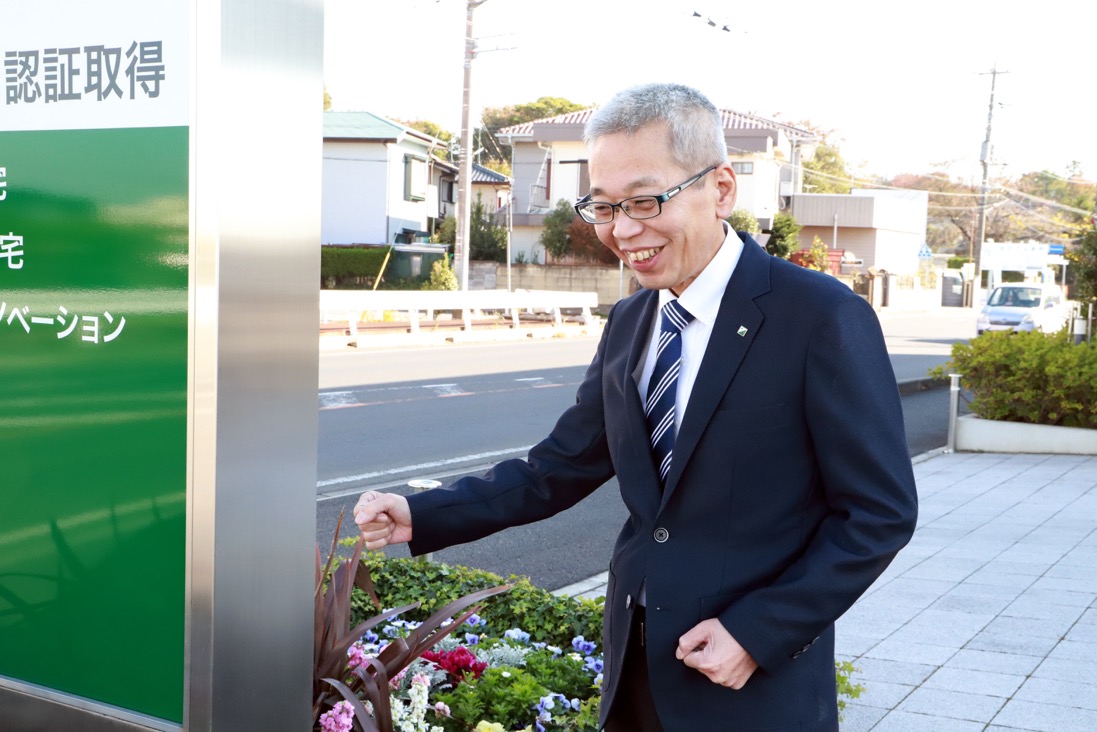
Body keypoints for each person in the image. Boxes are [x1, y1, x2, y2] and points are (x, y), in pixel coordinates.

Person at [355, 82, 918, 731]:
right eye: (603, 206)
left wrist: (758, 633)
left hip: (750, 683)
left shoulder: (819, 316)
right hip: (635, 668)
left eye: (645, 201)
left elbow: (877, 513)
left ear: (722, 189)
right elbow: (557, 469)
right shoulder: (629, 321)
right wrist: (418, 514)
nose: (622, 230)